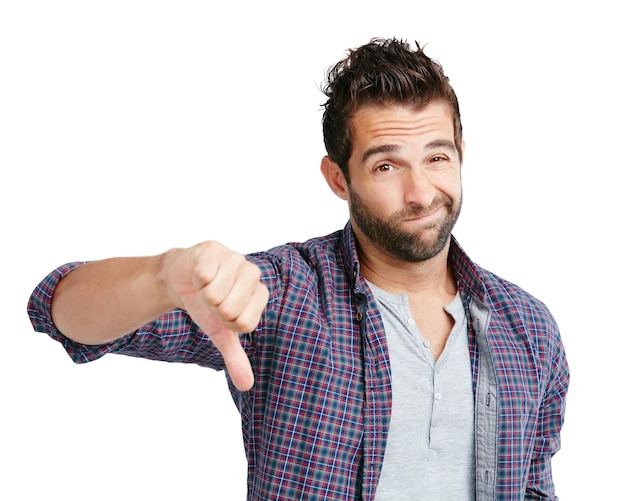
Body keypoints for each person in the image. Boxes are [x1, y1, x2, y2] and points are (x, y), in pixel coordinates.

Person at [27, 37, 569, 500]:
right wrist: (163, 276)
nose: (421, 192)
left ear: (459, 153)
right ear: (338, 179)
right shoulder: (277, 294)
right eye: (386, 165)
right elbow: (58, 308)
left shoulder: (529, 328)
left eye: (436, 156)